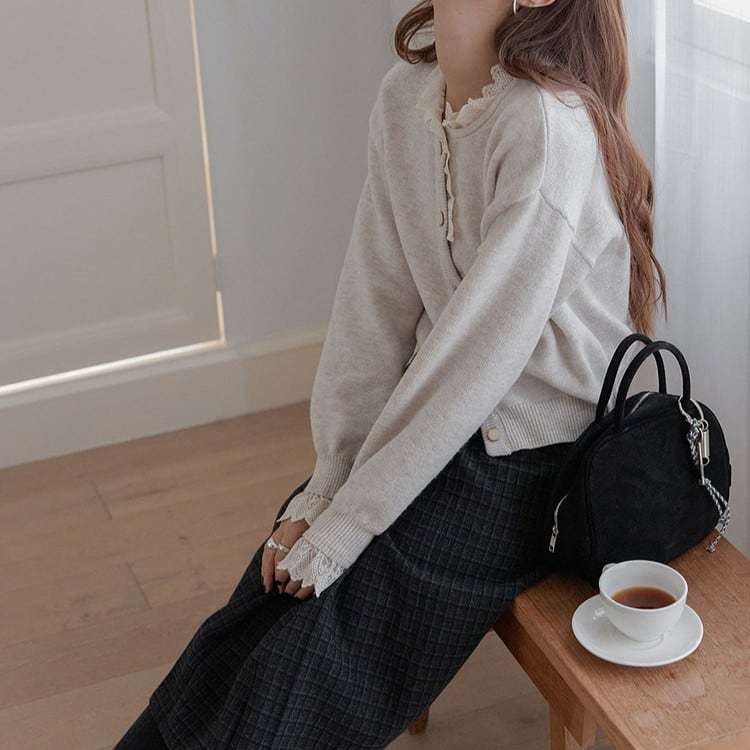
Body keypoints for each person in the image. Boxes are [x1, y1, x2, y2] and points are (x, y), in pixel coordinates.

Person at [115, 0, 664, 747]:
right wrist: (329, 481)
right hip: (447, 415)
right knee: (263, 600)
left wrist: (351, 521)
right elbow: (372, 305)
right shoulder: (406, 99)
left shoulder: (547, 129)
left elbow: (476, 358)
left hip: (538, 461)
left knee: (315, 649)